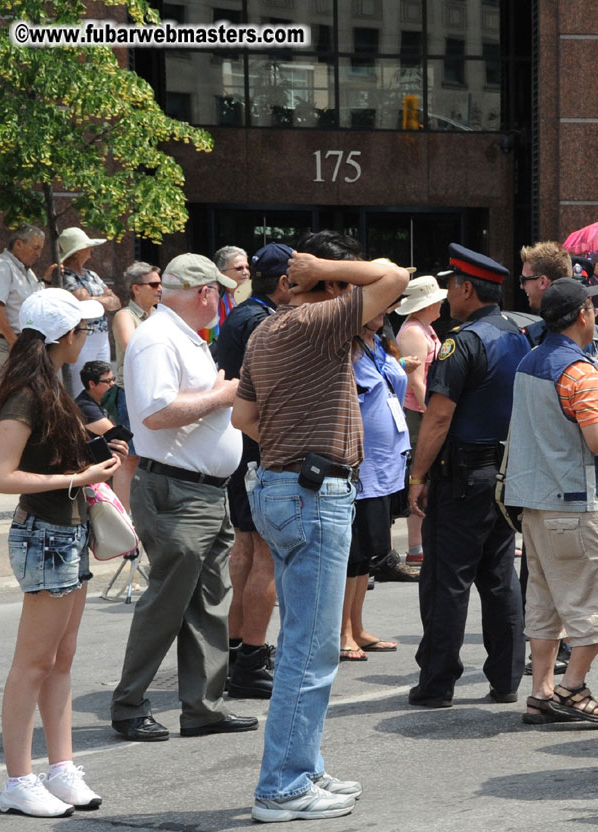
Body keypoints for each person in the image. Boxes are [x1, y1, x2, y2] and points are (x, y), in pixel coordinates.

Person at [232, 230, 409, 822]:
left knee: (307, 644)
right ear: (329, 288)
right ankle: (282, 784)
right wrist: (326, 267)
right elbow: (394, 275)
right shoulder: (320, 322)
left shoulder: (266, 329)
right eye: (345, 285)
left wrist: (290, 452)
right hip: (313, 493)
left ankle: (301, 767)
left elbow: (243, 415)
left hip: (284, 488)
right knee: (311, 650)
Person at [110, 254, 256, 745]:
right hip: (177, 489)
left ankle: (202, 708)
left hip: (201, 490)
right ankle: (129, 706)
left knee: (209, 602)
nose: (221, 299)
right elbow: (155, 414)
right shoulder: (158, 338)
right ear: (204, 292)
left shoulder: (182, 336)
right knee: (167, 605)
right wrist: (222, 396)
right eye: (219, 291)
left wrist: (217, 393)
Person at [0, 288, 120, 817]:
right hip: (45, 531)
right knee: (35, 663)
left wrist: (88, 463)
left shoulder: (49, 383)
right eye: (84, 330)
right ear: (66, 336)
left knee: (59, 659)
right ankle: (18, 779)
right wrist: (80, 475)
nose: (87, 338)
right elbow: (1, 476)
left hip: (64, 531)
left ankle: (60, 768)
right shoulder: (26, 391)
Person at [504, 278, 598, 726]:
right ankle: (571, 688)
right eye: (593, 309)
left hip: (535, 502)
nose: (597, 314)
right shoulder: (579, 373)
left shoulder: (530, 360)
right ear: (583, 315)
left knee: (545, 605)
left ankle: (540, 693)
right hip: (576, 504)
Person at [406, 244, 530, 709]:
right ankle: (506, 678)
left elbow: (438, 418)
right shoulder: (516, 334)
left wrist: (418, 476)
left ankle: (437, 683)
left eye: (452, 284)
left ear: (466, 288)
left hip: (462, 476)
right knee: (498, 576)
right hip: (503, 473)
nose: (448, 293)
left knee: (447, 579)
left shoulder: (464, 341)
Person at [214, 243, 294, 700]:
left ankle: (236, 652)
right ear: (283, 283)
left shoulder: (241, 316)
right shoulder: (264, 322)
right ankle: (251, 658)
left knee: (247, 549)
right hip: (260, 444)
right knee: (262, 552)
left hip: (241, 445)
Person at [341, 310, 410, 661]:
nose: (382, 314)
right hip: (362, 464)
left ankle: (357, 625)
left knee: (368, 551)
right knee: (352, 553)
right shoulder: (347, 348)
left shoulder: (381, 345)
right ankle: (342, 633)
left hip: (387, 463)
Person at [394, 275, 447, 580]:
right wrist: (432, 410)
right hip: (416, 413)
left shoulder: (423, 327)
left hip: (421, 410)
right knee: (419, 475)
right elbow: (416, 381)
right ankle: (416, 546)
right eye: (436, 299)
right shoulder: (414, 331)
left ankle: (420, 544)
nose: (441, 303)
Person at [110, 261, 163, 511]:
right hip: (130, 395)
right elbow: (133, 347)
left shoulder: (159, 315)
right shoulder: (124, 315)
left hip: (154, 393)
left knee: (151, 456)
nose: (159, 288)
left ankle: (143, 512)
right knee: (129, 458)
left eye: (160, 283)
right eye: (153, 284)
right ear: (136, 289)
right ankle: (124, 520)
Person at [56, 228, 120, 397]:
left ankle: (99, 417)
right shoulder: (66, 276)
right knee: (81, 385)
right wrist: (103, 299)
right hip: (82, 336)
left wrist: (93, 299)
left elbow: (116, 302)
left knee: (103, 382)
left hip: (102, 336)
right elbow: (82, 302)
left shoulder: (92, 275)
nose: (91, 250)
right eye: (87, 246)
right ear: (77, 252)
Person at [0, 225, 45, 363]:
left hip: (29, 341)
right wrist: (13, 340)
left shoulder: (27, 271)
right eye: (36, 248)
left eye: (41, 249)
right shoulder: (1, 266)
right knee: (19, 384)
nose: (39, 254)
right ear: (19, 244)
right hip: (12, 343)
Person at [203, 245, 250, 342]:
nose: (246, 272)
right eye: (239, 268)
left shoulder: (258, 299)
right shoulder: (212, 306)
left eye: (247, 267)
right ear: (222, 274)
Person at [74, 360, 116, 436]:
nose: (113, 384)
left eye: (113, 379)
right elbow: (114, 434)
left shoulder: (102, 400)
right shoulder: (85, 407)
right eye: (108, 381)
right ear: (92, 384)